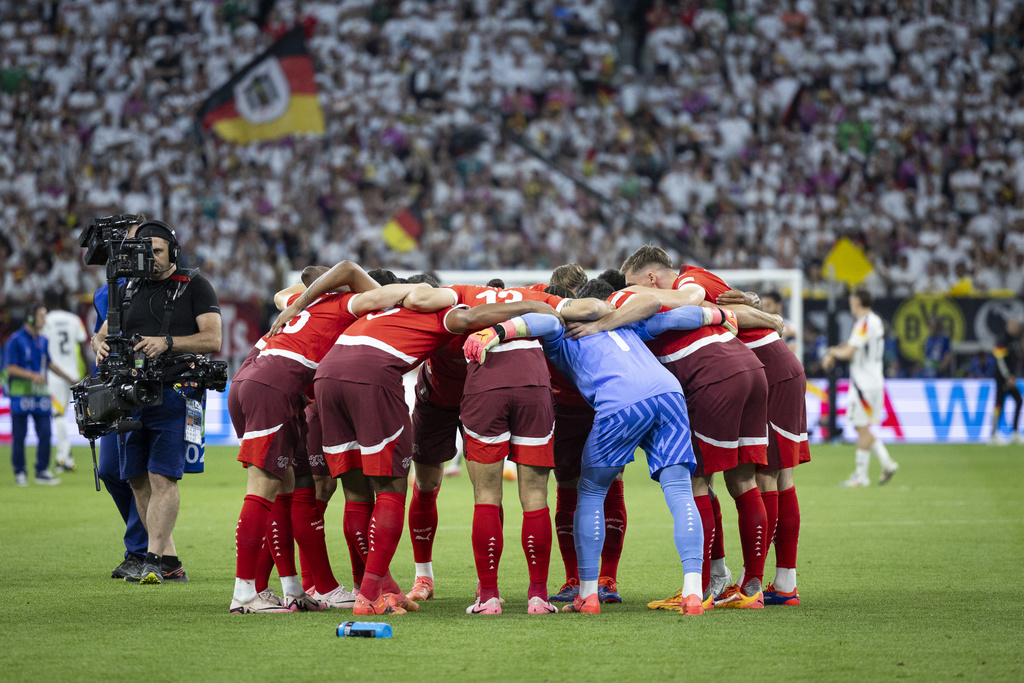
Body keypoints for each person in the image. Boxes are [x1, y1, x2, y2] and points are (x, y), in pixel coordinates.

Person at [464, 288, 738, 615]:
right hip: (668, 394)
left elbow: (538, 321)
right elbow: (681, 316)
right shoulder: (626, 324)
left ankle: (588, 595)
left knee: (591, 491)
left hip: (619, 401)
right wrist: (722, 316)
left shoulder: (562, 328)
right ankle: (694, 592)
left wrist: (493, 332)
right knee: (680, 491)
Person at [307, 284, 560, 616]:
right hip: (437, 404)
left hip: (480, 395)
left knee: (482, 491)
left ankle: (482, 589)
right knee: (423, 487)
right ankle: (421, 577)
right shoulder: (445, 312)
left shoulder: (452, 313)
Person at [403, 280, 610, 615]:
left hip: (485, 383)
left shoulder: (464, 293)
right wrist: (602, 313)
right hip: (532, 382)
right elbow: (591, 308)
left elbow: (419, 298)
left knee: (486, 495)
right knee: (535, 496)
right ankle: (538, 598)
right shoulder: (535, 296)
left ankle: (488, 597)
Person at [228, 261, 421, 614]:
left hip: (252, 379)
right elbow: (380, 287)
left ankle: (293, 588)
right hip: (274, 385)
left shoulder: (308, 301)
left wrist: (303, 299)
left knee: (287, 487)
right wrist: (419, 295)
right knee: (263, 488)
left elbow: (288, 290)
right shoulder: (348, 303)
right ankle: (245, 594)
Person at [620, 246, 781, 609]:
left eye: (633, 285)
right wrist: (758, 311)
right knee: (743, 480)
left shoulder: (668, 293)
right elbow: (725, 311)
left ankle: (705, 585)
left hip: (715, 377)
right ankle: (748, 586)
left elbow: (682, 304)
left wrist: (626, 299)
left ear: (649, 279)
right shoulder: (692, 302)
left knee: (697, 481)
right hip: (751, 368)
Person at [92, 220, 222, 585]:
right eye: (143, 251)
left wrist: (168, 341)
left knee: (161, 477)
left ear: (174, 254)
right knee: (135, 479)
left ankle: (152, 558)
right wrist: (99, 345)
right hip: (131, 395)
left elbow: (213, 338)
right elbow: (101, 335)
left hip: (175, 392)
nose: (149, 258)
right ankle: (168, 560)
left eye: (158, 251)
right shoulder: (129, 288)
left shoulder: (195, 285)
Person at [823, 287, 899, 486]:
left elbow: (849, 352)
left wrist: (832, 353)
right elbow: (851, 343)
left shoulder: (863, 323)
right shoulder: (874, 321)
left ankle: (864, 474)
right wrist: (835, 350)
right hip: (874, 381)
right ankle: (884, 464)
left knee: (860, 427)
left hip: (863, 383)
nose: (850, 304)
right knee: (862, 427)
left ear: (857, 301)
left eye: (851, 300)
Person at [4, 302, 76, 485]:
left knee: (45, 433)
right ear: (30, 318)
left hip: (41, 394)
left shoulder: (43, 340)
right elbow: (10, 368)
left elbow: (50, 364)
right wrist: (32, 375)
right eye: (42, 315)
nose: (45, 319)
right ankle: (20, 472)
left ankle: (42, 471)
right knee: (19, 436)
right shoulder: (14, 340)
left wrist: (70, 378)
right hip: (21, 394)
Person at [40, 291, 88, 473]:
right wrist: (88, 371)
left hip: (55, 374)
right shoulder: (74, 319)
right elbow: (83, 345)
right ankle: (65, 456)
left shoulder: (46, 320)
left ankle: (64, 459)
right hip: (74, 373)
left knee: (58, 415)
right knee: (66, 413)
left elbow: (41, 345)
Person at [990, 318, 1023, 445]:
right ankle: (993, 435)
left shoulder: (1014, 339)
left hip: (1010, 378)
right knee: (999, 403)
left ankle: (1014, 432)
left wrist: (1013, 375)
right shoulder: (1003, 338)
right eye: (1014, 325)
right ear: (1009, 325)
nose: (1017, 328)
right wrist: (1007, 376)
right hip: (1002, 378)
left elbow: (1014, 359)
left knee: (1018, 400)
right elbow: (1000, 359)